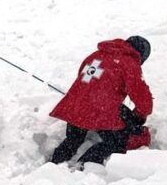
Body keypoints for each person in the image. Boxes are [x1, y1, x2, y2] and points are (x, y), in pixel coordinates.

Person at [49, 37, 152, 166]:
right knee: (114, 143)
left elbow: (85, 79)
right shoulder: (130, 63)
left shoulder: (96, 55)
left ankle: (53, 165)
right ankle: (84, 166)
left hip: (76, 105)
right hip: (101, 110)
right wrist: (140, 116)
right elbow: (143, 99)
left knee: (73, 139)